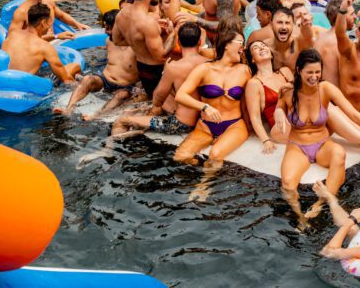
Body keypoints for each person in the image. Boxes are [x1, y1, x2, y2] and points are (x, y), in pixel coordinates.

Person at [274, 48, 360, 222]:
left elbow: (353, 114)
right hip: (298, 147)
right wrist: (278, 111)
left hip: (322, 144)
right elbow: (279, 105)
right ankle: (301, 218)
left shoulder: (326, 89)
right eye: (309, 72)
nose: (314, 76)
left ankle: (320, 204)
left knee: (339, 152)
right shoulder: (288, 92)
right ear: (299, 70)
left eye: (317, 72)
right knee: (287, 183)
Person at [173, 30, 250, 194]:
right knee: (180, 157)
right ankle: (203, 168)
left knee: (215, 154)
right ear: (227, 44)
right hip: (206, 126)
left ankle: (203, 186)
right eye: (240, 43)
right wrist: (204, 107)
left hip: (234, 125)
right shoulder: (204, 69)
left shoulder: (245, 70)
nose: (243, 48)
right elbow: (181, 95)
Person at [110, 22, 208, 138]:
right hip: (201, 120)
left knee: (121, 121)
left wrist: (166, 73)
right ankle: (140, 128)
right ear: (200, 42)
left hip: (181, 124)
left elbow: (157, 100)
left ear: (179, 42)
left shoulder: (174, 67)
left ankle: (108, 150)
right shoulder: (208, 62)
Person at [53, 9, 138, 117]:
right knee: (88, 78)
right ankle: (68, 109)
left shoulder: (136, 47)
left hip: (124, 86)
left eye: (109, 28)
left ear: (120, 27)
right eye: (105, 28)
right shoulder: (109, 41)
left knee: (121, 95)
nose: (106, 32)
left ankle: (96, 116)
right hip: (105, 80)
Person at [112, 0, 176, 97]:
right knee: (164, 106)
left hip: (141, 68)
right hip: (156, 71)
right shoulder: (147, 22)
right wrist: (173, 33)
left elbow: (117, 40)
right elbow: (161, 57)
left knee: (151, 99)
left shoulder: (122, 14)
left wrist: (139, 42)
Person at [2, 4, 80, 83]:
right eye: (49, 22)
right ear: (43, 23)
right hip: (26, 88)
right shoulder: (44, 47)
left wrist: (56, 36)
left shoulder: (12, 35)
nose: (49, 26)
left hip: (5, 82)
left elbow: (30, 41)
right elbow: (66, 80)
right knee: (75, 66)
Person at [244, 40, 294, 153]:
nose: (261, 48)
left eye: (263, 46)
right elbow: (255, 118)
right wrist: (266, 141)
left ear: (271, 54)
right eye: (256, 48)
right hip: (280, 127)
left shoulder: (285, 72)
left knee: (329, 108)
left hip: (299, 116)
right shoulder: (254, 83)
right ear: (252, 59)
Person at [314, 0, 355, 86]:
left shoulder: (319, 38)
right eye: (352, 14)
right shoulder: (341, 44)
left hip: (320, 93)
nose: (355, 17)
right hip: (336, 95)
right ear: (341, 17)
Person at [263, 6, 315, 70]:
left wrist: (306, 26)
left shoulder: (298, 44)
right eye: (279, 22)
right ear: (271, 25)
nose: (284, 27)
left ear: (293, 26)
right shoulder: (264, 47)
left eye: (287, 23)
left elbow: (308, 37)